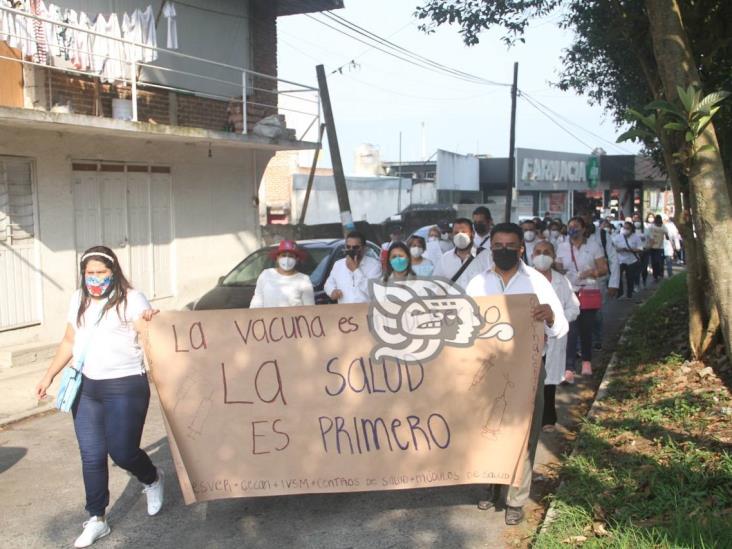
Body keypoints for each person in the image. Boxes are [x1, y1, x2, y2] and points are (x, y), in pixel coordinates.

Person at [34, 246, 163, 548]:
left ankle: (152, 478)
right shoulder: (78, 299)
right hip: (87, 388)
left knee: (122, 452)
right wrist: (48, 374)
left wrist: (150, 319)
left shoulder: (132, 299)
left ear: (113, 271)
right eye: (89, 273)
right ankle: (97, 519)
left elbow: (151, 335)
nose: (94, 278)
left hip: (126, 386)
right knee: (91, 456)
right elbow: (70, 340)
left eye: (101, 273)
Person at [465, 223, 568, 526]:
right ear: (491, 248)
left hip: (528, 370)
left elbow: (561, 327)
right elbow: (461, 325)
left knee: (524, 434)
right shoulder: (475, 284)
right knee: (488, 429)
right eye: (498, 245)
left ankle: (516, 497)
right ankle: (491, 484)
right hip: (488, 370)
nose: (504, 250)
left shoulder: (536, 283)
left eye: (511, 246)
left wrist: (548, 315)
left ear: (522, 248)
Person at [531, 240, 580, 431]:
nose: (542, 255)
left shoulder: (562, 281)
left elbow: (574, 308)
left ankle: (548, 419)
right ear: (532, 254)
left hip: (553, 337)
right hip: (529, 339)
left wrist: (555, 320)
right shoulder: (524, 279)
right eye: (538, 251)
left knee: (548, 382)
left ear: (553, 256)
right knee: (528, 380)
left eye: (546, 252)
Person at [555, 216, 608, 381]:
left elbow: (603, 269)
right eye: (570, 226)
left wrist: (591, 273)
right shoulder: (562, 246)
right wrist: (558, 269)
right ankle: (569, 367)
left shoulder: (594, 246)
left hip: (588, 291)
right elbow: (557, 266)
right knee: (570, 331)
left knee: (586, 330)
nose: (573, 229)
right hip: (569, 293)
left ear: (584, 229)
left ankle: (586, 362)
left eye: (576, 226)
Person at [250, 240, 314, 308]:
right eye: (283, 255)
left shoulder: (304, 280)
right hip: (268, 318)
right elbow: (257, 301)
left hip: (294, 318)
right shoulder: (266, 274)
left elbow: (310, 308)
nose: (287, 259)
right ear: (277, 258)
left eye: (291, 256)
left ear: (297, 259)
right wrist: (251, 316)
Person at [433, 217, 492, 290]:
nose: (460, 236)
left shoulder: (487, 257)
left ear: (472, 234)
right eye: (456, 233)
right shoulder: (445, 259)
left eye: (464, 232)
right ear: (452, 235)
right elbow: (435, 285)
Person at [325, 231, 382, 304]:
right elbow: (328, 284)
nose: (351, 250)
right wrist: (332, 291)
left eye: (355, 247)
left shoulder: (374, 265)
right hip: (345, 312)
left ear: (364, 248)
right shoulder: (338, 264)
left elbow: (373, 291)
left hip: (366, 311)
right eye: (348, 247)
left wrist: (355, 270)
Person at [612, 221, 643, 300]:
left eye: (627, 228)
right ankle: (620, 293)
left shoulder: (636, 237)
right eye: (624, 228)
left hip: (631, 261)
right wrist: (618, 249)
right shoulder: (618, 237)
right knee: (618, 277)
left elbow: (640, 249)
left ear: (631, 229)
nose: (625, 230)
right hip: (620, 260)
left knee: (630, 277)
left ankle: (629, 293)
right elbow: (612, 246)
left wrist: (630, 250)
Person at [646, 215, 667, 281]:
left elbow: (667, 234)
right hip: (653, 247)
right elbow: (649, 236)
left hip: (660, 247)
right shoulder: (651, 227)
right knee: (654, 262)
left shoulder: (663, 226)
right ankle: (655, 275)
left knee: (660, 262)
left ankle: (660, 274)